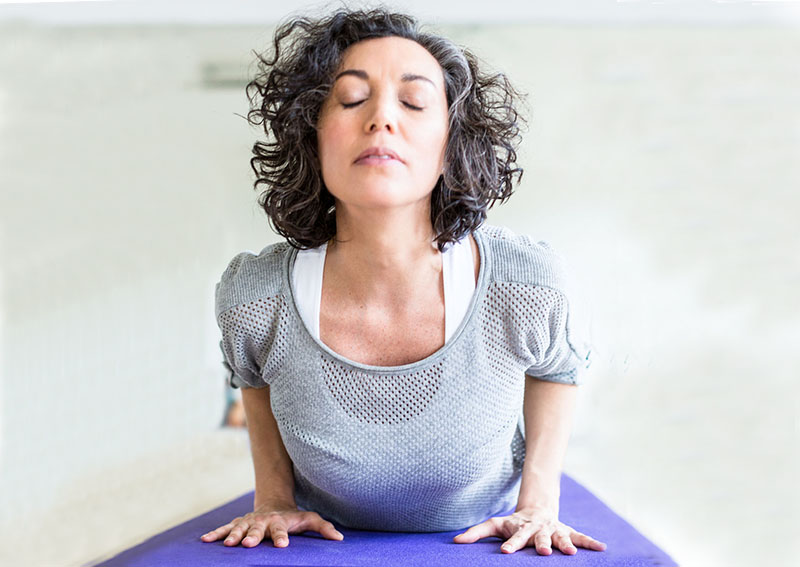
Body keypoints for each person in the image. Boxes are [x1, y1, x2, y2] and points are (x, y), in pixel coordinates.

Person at [201, 7, 606, 557]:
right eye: (349, 99)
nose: (381, 119)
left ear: (450, 146)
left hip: (479, 528)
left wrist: (538, 504)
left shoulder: (528, 283)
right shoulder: (254, 297)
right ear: (312, 138)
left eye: (413, 102)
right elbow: (253, 378)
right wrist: (272, 499)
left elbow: (559, 368)